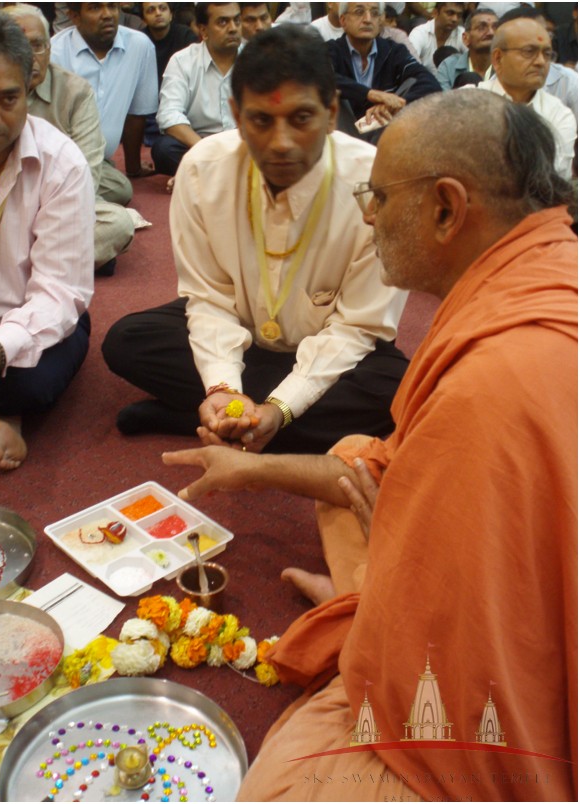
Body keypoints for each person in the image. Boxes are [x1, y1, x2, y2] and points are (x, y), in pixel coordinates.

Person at [163, 89, 577, 802]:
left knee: (276, 789)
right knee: (358, 448)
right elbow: (386, 466)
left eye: (380, 197)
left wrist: (379, 603)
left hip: (487, 725)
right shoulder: (534, 269)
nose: (367, 212)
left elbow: (468, 653)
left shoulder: (491, 385)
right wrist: (249, 468)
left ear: (446, 208)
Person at [102, 24, 409, 454]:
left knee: (395, 392)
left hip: (333, 341)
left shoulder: (375, 179)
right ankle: (244, 417)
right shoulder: (202, 169)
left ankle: (202, 418)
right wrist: (222, 387)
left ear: (332, 110)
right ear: (236, 113)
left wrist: (282, 406)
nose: (281, 143)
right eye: (261, 120)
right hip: (241, 328)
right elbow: (209, 299)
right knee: (126, 341)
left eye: (301, 119)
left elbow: (357, 326)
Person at [0, 10, 94, 470]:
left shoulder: (61, 163)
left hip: (26, 325)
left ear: (31, 86)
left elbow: (60, 292)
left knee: (32, 384)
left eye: (7, 98)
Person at [4, 3, 134, 275]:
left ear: (50, 48)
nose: (29, 57)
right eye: (18, 47)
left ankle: (8, 264)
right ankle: (62, 262)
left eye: (37, 45)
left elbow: (86, 176)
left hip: (59, 203)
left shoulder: (76, 92)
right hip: (0, 202)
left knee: (118, 224)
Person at [51, 2, 158, 205]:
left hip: (101, 162)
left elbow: (137, 113)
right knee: (119, 211)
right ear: (74, 16)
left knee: (122, 189)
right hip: (60, 161)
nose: (107, 15)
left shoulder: (140, 46)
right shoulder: (55, 52)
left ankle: (66, 198)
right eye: (95, 8)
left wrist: (133, 168)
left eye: (112, 6)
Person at [477, 16, 577, 179]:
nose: (540, 62)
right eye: (529, 52)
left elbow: (552, 178)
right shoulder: (470, 101)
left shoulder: (559, 114)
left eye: (547, 54)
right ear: (497, 58)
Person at [151, 2, 242, 177]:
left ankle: (197, 176)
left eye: (236, 20)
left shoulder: (254, 59)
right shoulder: (182, 61)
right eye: (223, 22)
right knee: (163, 149)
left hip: (243, 143)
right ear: (203, 31)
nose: (233, 28)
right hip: (198, 143)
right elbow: (169, 115)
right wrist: (204, 148)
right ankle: (223, 174)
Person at [328, 2, 441, 131]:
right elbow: (320, 78)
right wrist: (369, 94)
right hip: (341, 133)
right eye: (359, 12)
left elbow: (430, 83)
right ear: (343, 20)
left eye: (375, 13)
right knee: (330, 89)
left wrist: (395, 105)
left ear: (381, 20)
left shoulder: (393, 51)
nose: (368, 19)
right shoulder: (330, 50)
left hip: (385, 132)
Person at [437, 6, 497, 89]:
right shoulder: (448, 66)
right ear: (466, 38)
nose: (491, 32)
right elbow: (443, 101)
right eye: (481, 28)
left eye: (495, 28)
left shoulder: (508, 65)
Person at [141, 1, 198, 86]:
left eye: (162, 8)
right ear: (144, 20)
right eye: (151, 10)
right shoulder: (140, 41)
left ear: (171, 15)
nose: (158, 13)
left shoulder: (185, 36)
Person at [408, 1, 465, 74]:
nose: (455, 19)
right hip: (423, 81)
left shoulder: (462, 34)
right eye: (450, 13)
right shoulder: (420, 33)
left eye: (459, 15)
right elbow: (409, 63)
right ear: (435, 13)